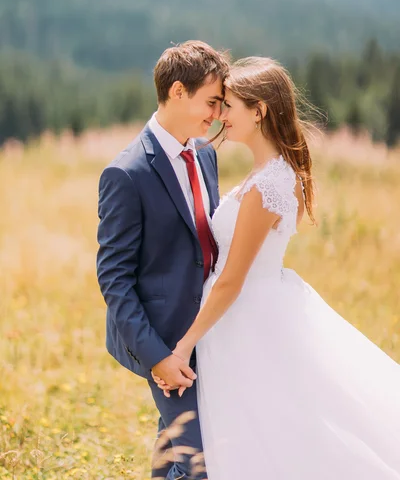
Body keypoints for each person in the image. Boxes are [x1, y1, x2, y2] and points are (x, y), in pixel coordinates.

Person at [155, 57, 400, 479]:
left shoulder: (267, 185)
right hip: (245, 315)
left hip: (247, 317)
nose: (220, 116)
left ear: (259, 110)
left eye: (229, 106)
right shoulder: (266, 174)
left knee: (270, 429)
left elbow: (233, 280)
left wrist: (182, 345)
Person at [96, 40, 229, 479]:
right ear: (176, 91)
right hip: (164, 342)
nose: (217, 115)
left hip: (205, 335)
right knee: (201, 465)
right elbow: (114, 278)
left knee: (174, 458)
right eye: (211, 102)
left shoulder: (205, 154)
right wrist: (158, 358)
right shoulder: (125, 173)